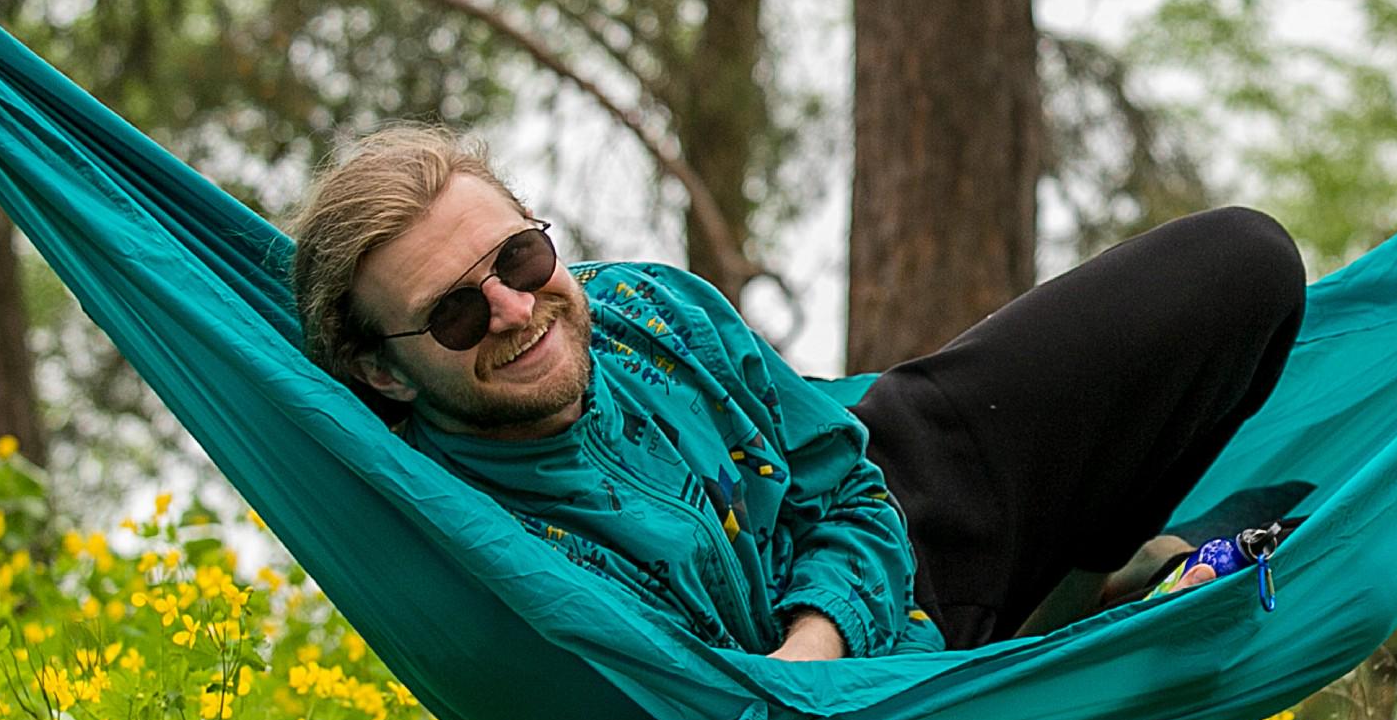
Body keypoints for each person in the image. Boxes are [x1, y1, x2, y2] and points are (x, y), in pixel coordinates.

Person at [288, 128, 1306, 656]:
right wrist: (828, 669)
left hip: (921, 464)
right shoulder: (465, 530)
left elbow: (853, 489)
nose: (515, 308)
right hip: (905, 680)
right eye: (458, 313)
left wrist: (810, 652)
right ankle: (1076, 607)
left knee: (1243, 262)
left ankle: (1092, 571)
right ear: (380, 368)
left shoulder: (649, 303)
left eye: (519, 254)